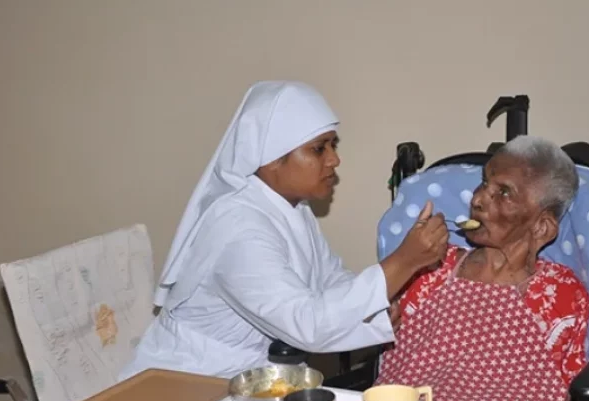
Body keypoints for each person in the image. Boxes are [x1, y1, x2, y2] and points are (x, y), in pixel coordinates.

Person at [120, 81, 448, 382]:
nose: (335, 159)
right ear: (270, 159)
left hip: (253, 375)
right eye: (319, 148)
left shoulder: (291, 209)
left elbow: (328, 278)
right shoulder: (239, 229)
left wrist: (374, 309)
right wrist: (403, 262)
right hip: (190, 379)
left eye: (333, 145)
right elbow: (306, 325)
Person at [375, 136, 589, 401]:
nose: (477, 199)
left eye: (503, 193)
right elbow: (381, 330)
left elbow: (567, 400)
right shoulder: (429, 266)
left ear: (541, 227)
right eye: (484, 183)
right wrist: (383, 317)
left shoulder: (562, 293)